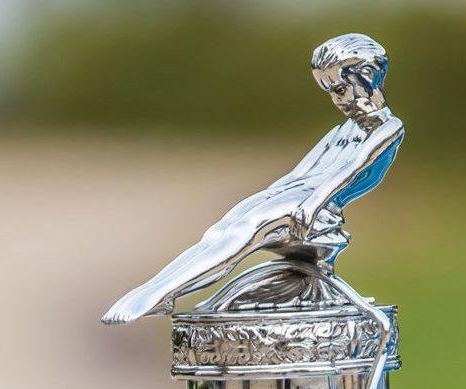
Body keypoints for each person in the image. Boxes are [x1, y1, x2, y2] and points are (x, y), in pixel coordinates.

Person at [102, 33, 405, 325]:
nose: (337, 100)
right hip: (293, 195)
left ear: (367, 76)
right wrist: (264, 198)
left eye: (340, 89)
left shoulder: (388, 128)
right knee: (220, 231)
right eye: (330, 92)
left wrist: (311, 205)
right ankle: (159, 288)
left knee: (243, 235)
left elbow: (348, 171)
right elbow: (300, 171)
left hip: (316, 208)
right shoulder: (341, 130)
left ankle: (160, 293)